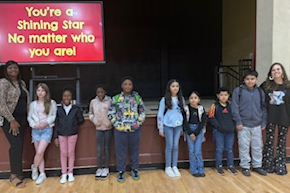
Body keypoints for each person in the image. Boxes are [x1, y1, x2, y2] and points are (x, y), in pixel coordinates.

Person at [108, 77, 146, 183]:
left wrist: (137, 123)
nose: (127, 86)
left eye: (130, 84)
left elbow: (142, 111)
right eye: (125, 84)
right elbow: (111, 113)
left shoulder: (137, 98)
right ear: (122, 86)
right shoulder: (116, 98)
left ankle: (134, 169)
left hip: (134, 129)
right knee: (120, 151)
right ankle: (121, 171)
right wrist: (116, 124)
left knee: (135, 150)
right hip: (120, 130)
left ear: (132, 86)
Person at [231, 70, 267, 177]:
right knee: (244, 146)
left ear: (256, 80)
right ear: (244, 80)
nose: (250, 81)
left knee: (257, 146)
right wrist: (238, 121)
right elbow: (234, 107)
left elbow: (264, 108)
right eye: (247, 79)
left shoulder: (260, 92)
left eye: (252, 79)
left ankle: (257, 165)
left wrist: (263, 121)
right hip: (243, 124)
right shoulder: (239, 91)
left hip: (257, 124)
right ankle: (245, 166)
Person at [0, 60, 30, 188]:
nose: (13, 70)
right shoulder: (4, 83)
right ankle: (13, 175)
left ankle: (19, 172)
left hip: (23, 120)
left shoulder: (22, 83)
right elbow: (1, 103)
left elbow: (26, 101)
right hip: (10, 120)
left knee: (19, 146)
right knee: (16, 145)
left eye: (15, 68)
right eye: (10, 68)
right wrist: (11, 120)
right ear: (6, 70)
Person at [261, 63, 290, 175]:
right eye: (273, 70)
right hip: (270, 118)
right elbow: (261, 102)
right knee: (269, 141)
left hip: (284, 117)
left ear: (282, 71)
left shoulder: (288, 86)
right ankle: (268, 164)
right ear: (271, 73)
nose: (276, 71)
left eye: (278, 69)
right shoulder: (265, 86)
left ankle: (280, 165)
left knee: (281, 142)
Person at [27, 83, 57, 185]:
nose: (40, 92)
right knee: (39, 154)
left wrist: (46, 122)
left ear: (46, 92)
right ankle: (42, 173)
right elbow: (29, 117)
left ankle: (34, 167)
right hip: (36, 130)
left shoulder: (52, 103)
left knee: (40, 152)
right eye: (38, 90)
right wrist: (33, 124)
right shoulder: (33, 104)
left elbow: (53, 115)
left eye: (42, 90)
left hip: (47, 129)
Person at [54, 88, 84, 183]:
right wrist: (55, 137)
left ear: (71, 97)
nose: (66, 97)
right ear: (62, 98)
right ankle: (64, 173)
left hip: (72, 133)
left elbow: (81, 120)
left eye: (68, 95)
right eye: (64, 96)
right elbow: (56, 124)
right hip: (61, 134)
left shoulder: (76, 108)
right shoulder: (58, 109)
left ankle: (70, 172)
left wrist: (74, 124)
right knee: (63, 153)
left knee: (71, 153)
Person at [157, 79, 185, 178]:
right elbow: (160, 113)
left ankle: (174, 166)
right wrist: (160, 128)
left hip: (178, 125)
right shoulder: (164, 99)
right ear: (169, 87)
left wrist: (182, 127)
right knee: (169, 146)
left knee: (176, 146)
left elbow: (183, 113)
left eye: (177, 86)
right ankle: (168, 166)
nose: (175, 88)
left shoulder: (181, 99)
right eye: (173, 86)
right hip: (168, 125)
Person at [208, 87, 237, 176]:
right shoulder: (214, 106)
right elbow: (211, 118)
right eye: (221, 95)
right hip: (219, 132)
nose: (223, 97)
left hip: (230, 132)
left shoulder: (232, 106)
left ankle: (230, 165)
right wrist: (219, 127)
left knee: (229, 149)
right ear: (217, 96)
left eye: (225, 95)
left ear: (228, 96)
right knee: (219, 149)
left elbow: (235, 117)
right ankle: (219, 166)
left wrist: (232, 127)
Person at [89, 85, 113, 180]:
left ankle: (106, 167)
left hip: (108, 128)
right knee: (99, 149)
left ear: (105, 92)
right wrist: (94, 120)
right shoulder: (93, 102)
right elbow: (90, 113)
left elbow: (113, 112)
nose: (100, 94)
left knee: (107, 148)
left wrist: (110, 121)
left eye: (102, 92)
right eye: (98, 92)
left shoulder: (110, 101)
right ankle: (99, 168)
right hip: (98, 128)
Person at [184, 91, 206, 177]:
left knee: (197, 151)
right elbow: (185, 122)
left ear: (199, 99)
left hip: (198, 130)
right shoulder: (186, 109)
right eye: (191, 98)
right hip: (189, 130)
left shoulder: (201, 109)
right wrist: (190, 133)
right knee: (191, 151)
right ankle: (193, 169)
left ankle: (201, 169)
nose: (193, 100)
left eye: (195, 98)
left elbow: (203, 122)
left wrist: (196, 133)